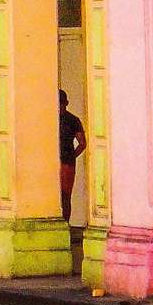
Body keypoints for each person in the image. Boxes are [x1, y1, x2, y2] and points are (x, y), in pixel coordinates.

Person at [59, 89, 85, 220]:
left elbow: (82, 143)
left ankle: (65, 222)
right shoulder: (73, 120)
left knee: (65, 195)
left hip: (66, 162)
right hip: (65, 161)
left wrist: (72, 156)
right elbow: (82, 143)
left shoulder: (72, 120)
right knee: (64, 195)